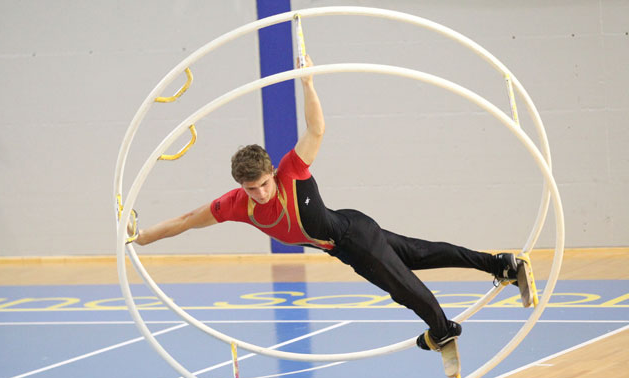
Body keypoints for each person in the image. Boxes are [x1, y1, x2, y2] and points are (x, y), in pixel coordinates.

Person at [130, 55, 520, 352]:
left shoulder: (291, 171)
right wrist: (143, 237)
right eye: (252, 189)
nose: (261, 194)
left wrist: (309, 83)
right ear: (240, 187)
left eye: (264, 184)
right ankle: (500, 263)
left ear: (271, 172)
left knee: (402, 284)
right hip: (348, 236)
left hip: (353, 237)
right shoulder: (237, 205)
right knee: (423, 254)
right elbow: (186, 219)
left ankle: (442, 329)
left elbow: (316, 129)